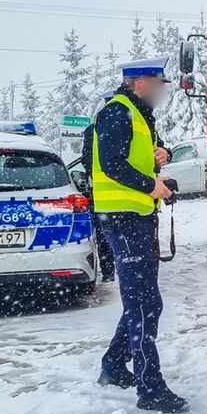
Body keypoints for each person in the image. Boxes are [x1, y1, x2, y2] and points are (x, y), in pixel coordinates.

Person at [93, 58, 187, 414]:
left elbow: (147, 154)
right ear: (141, 82)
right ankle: (150, 388)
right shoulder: (117, 112)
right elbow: (112, 164)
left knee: (146, 303)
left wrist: (163, 153)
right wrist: (151, 186)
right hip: (124, 219)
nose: (162, 89)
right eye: (158, 82)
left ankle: (114, 364)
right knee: (144, 305)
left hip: (138, 218)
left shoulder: (138, 113)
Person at [81, 93, 116, 282]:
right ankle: (121, 268)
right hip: (134, 194)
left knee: (105, 235)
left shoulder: (92, 130)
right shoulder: (134, 125)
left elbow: (87, 159)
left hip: (101, 193)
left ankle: (109, 272)